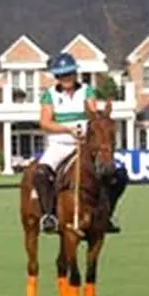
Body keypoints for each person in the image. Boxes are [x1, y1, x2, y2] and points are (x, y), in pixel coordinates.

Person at [33, 53, 126, 234]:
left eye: (69, 74)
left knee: (119, 175)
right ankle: (49, 216)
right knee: (40, 173)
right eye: (61, 75)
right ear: (56, 76)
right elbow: (45, 122)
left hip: (85, 144)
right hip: (60, 144)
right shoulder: (49, 95)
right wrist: (68, 129)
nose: (66, 78)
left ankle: (108, 214)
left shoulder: (87, 91)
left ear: (75, 74)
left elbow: (93, 114)